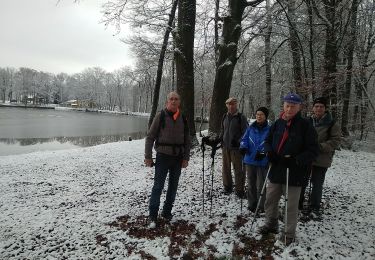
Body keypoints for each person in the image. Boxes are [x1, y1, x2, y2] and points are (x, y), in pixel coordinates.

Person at [258, 93, 319, 245]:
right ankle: (271, 224)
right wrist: (269, 152)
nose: (289, 108)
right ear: (283, 106)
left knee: (291, 206)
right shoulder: (278, 123)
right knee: (270, 200)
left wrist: (296, 160)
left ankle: (288, 234)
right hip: (276, 169)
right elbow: (267, 141)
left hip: (294, 172)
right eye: (287, 105)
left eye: (293, 106)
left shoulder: (306, 126)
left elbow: (313, 150)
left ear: (299, 107)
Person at [144, 91, 191, 228]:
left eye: (176, 99)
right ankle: (152, 216)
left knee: (173, 186)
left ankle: (166, 212)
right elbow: (150, 137)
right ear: (167, 102)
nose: (174, 101)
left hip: (178, 158)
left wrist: (186, 158)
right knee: (158, 186)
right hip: (162, 157)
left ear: (179, 102)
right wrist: (148, 156)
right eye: (171, 99)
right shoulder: (161, 116)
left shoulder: (183, 118)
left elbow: (187, 140)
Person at [299, 97, 341, 218]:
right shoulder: (307, 121)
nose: (318, 108)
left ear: (325, 108)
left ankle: (314, 207)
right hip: (307, 157)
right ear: (313, 108)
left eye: (321, 106)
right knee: (302, 181)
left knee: (317, 183)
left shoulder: (332, 123)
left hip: (321, 158)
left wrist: (319, 147)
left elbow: (336, 141)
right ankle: (299, 203)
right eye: (316, 106)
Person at [239, 107, 270, 213]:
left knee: (261, 184)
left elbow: (270, 144)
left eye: (261, 114)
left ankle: (261, 205)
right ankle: (251, 204)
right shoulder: (250, 128)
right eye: (257, 114)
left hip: (262, 161)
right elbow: (244, 139)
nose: (259, 116)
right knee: (251, 183)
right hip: (249, 160)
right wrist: (243, 147)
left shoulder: (269, 129)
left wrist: (264, 152)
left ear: (265, 116)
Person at [219, 97, 248, 198]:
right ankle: (227, 186)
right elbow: (222, 130)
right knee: (225, 168)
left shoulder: (241, 117)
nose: (231, 106)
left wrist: (239, 142)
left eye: (233, 104)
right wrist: (220, 140)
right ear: (227, 105)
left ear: (236, 105)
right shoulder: (224, 116)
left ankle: (240, 190)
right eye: (229, 104)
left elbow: (246, 132)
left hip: (236, 149)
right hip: (225, 147)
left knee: (238, 169)